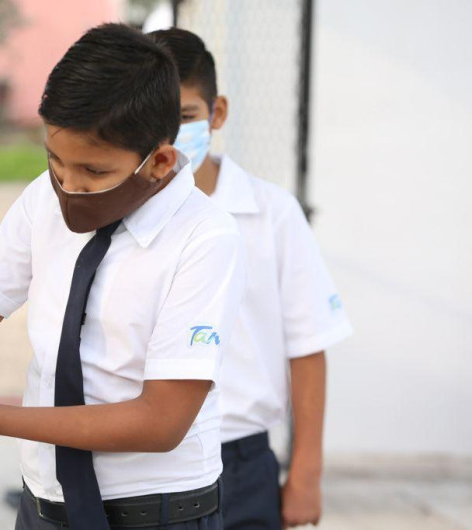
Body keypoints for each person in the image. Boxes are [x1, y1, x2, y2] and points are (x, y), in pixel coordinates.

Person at [0, 23, 246, 530]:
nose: (70, 186)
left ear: (160, 161)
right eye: (56, 162)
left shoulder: (205, 237)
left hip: (152, 513)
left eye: (95, 172)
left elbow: (161, 421)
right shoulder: (43, 197)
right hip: (43, 506)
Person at [149, 28, 353, 529]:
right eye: (152, 121)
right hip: (142, 461)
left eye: (185, 118)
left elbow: (308, 346)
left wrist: (305, 472)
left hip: (240, 462)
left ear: (217, 113)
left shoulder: (272, 213)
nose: (170, 137)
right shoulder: (121, 212)